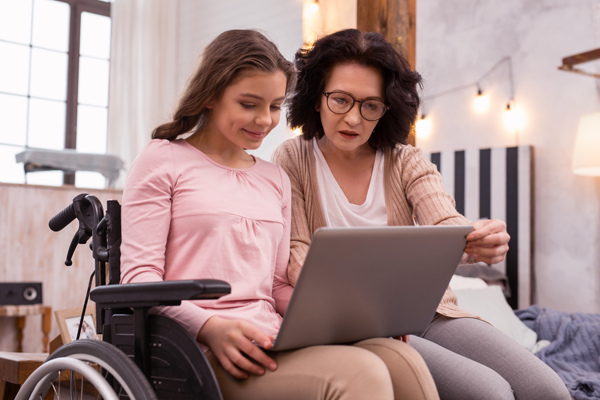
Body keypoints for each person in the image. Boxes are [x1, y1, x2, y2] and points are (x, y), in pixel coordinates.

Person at [120, 29, 439, 400]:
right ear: (209, 95)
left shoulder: (273, 178)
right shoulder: (163, 159)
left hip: (270, 335)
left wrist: (357, 320)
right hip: (195, 349)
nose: (264, 120)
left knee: (401, 358)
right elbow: (138, 281)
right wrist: (209, 327)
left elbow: (274, 287)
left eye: (273, 106)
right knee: (362, 374)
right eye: (248, 104)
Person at [272, 29, 570, 400]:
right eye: (341, 100)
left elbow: (446, 226)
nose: (353, 118)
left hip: (429, 312)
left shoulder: (406, 160)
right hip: (354, 325)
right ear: (317, 98)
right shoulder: (292, 159)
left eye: (370, 105)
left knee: (549, 390)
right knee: (491, 393)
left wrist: (476, 240)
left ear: (386, 109)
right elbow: (298, 255)